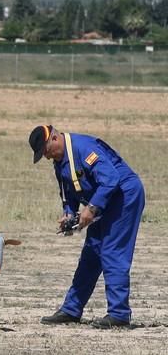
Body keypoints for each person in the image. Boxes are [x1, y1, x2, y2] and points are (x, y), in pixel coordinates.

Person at [29, 124, 145, 328]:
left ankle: (119, 315)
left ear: (54, 139)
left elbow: (111, 180)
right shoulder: (59, 162)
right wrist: (68, 215)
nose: (47, 157)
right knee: (91, 254)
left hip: (124, 197)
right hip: (104, 201)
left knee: (111, 251)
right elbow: (68, 194)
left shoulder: (84, 148)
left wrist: (91, 209)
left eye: (46, 151)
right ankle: (71, 309)